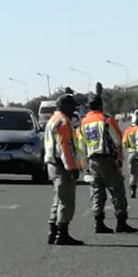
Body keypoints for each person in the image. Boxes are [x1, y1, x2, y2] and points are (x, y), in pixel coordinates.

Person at [80, 92, 137, 234]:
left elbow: (81, 144)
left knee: (97, 192)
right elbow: (118, 139)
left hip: (92, 160)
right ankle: (121, 222)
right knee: (117, 191)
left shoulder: (84, 121)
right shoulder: (105, 120)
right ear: (101, 105)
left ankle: (99, 223)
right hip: (106, 159)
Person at [43, 93, 84, 246]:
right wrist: (72, 167)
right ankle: (63, 234)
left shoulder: (53, 119)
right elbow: (64, 147)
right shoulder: (63, 122)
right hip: (61, 165)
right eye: (72, 106)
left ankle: (53, 231)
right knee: (67, 201)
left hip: (52, 164)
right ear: (64, 106)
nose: (73, 109)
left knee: (58, 199)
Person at [121, 115, 138, 197]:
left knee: (133, 174)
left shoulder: (128, 130)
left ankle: (132, 189)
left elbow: (124, 144)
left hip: (132, 154)